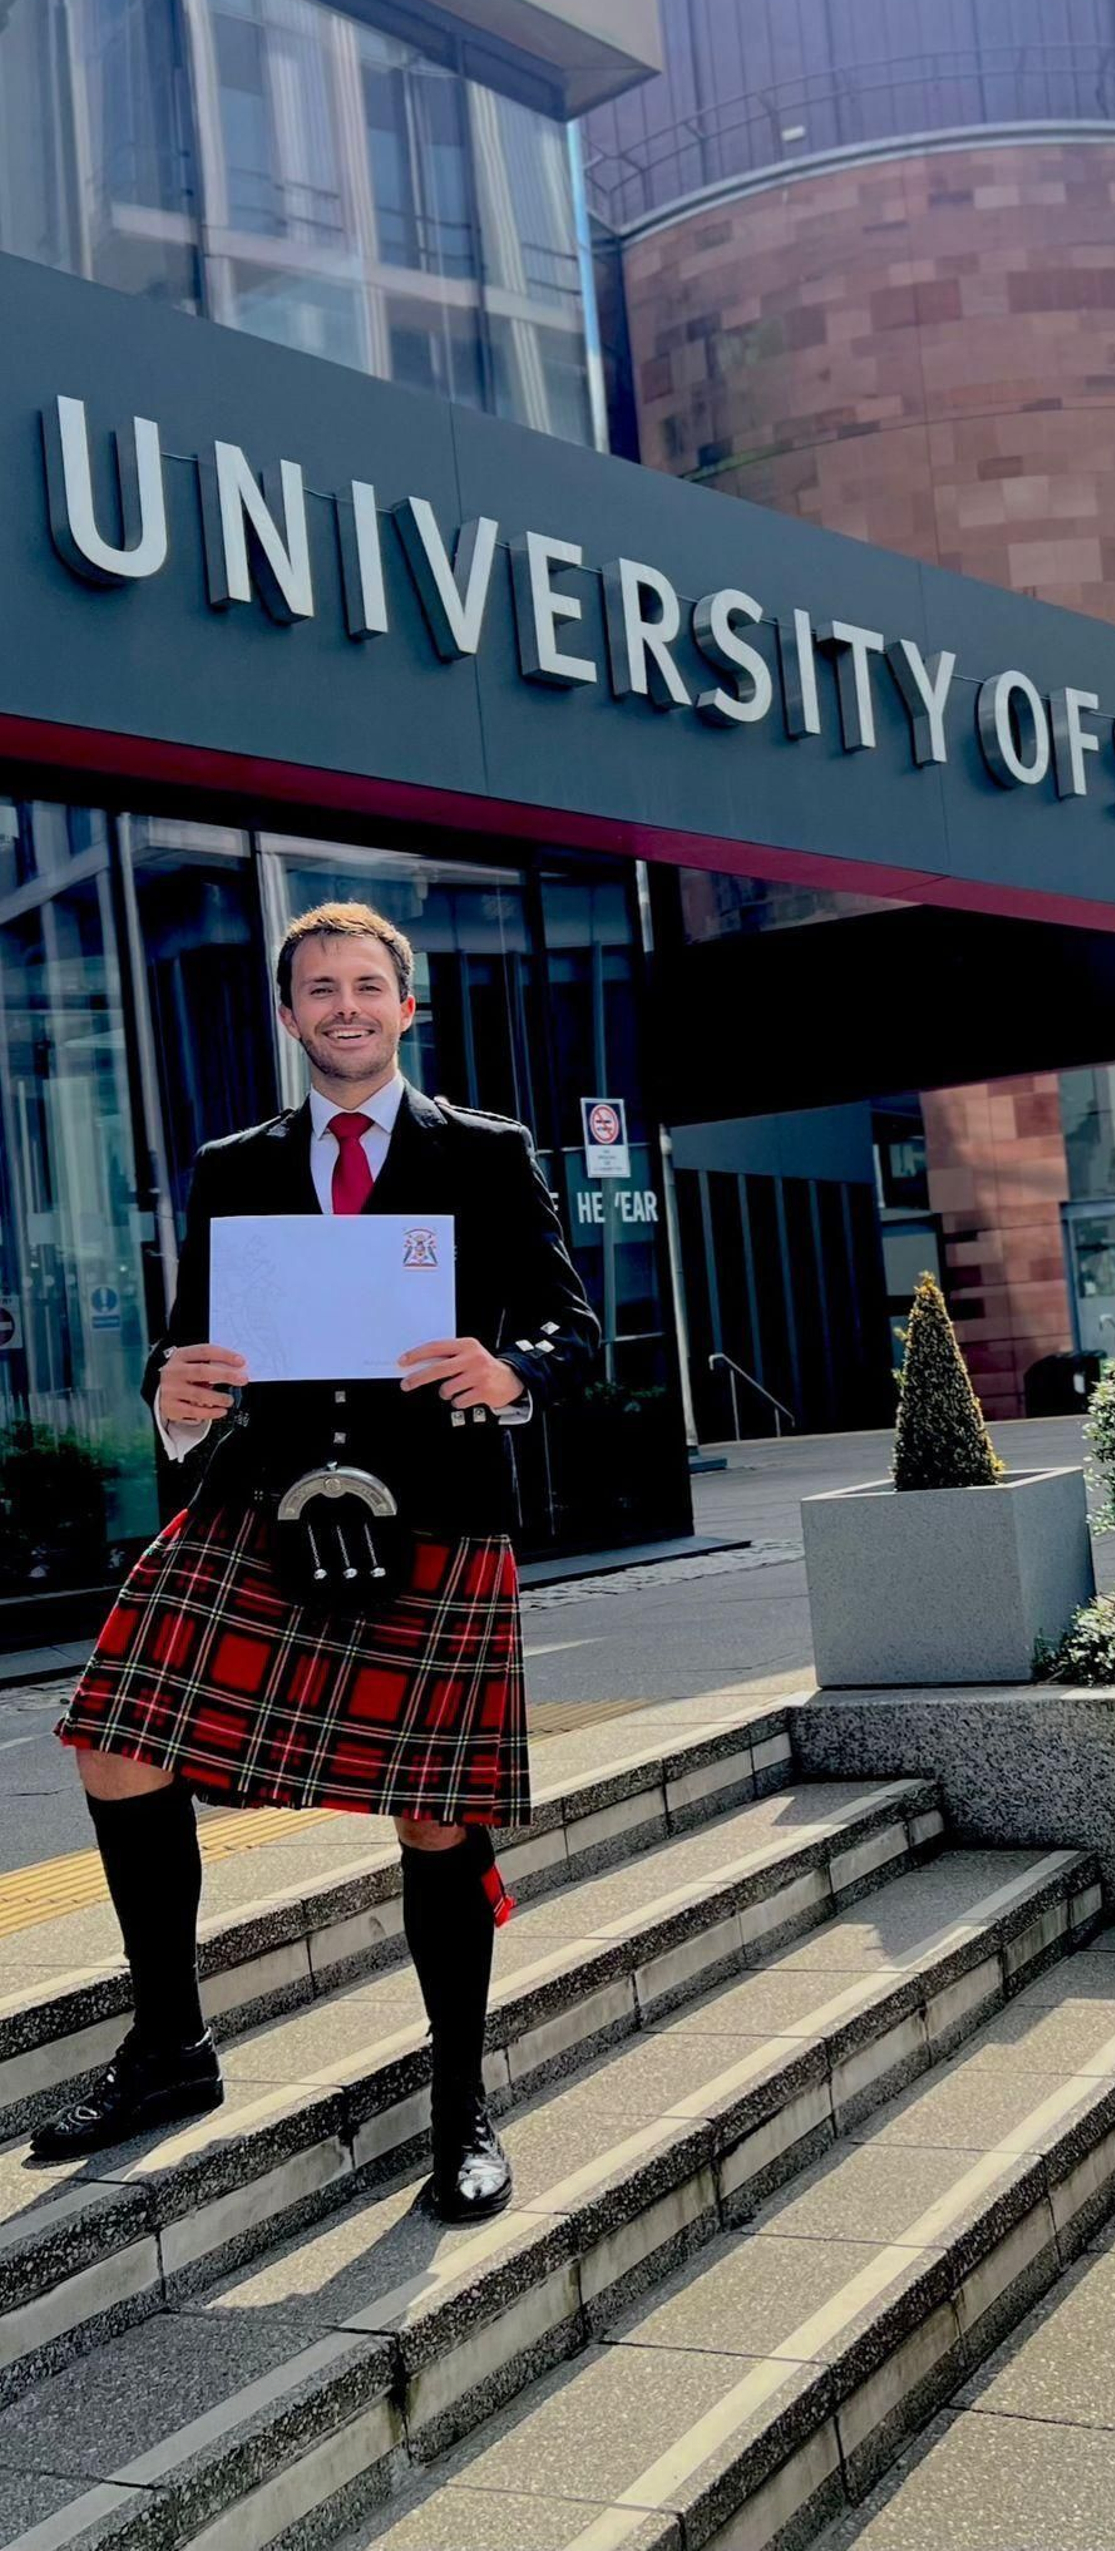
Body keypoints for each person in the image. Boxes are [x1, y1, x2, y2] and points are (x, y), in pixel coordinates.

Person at [34, 900, 600, 2223]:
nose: (344, 1007)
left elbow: (575, 1326)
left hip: (440, 1514)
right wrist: (175, 1396)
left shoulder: (486, 1152)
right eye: (318, 990)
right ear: (289, 1016)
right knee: (114, 1733)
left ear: (406, 1007)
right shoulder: (235, 1163)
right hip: (260, 1507)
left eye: (366, 986)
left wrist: (507, 1365)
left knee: (436, 1811)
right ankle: (169, 2044)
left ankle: (460, 2103)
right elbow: (186, 1358)